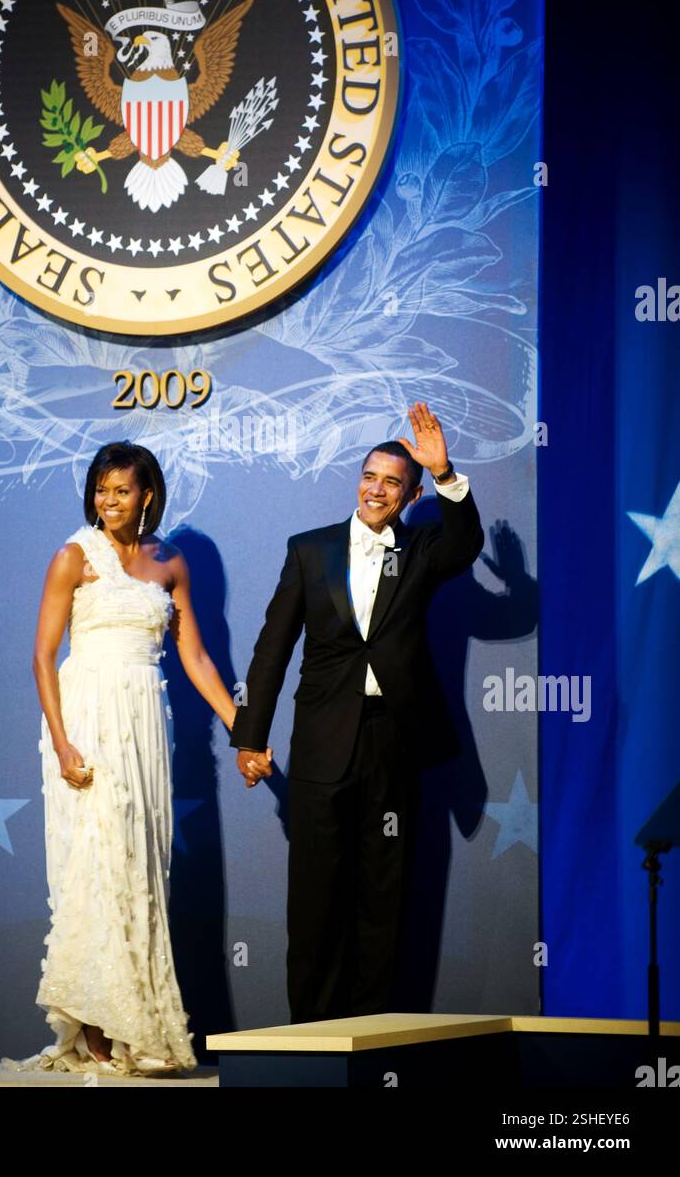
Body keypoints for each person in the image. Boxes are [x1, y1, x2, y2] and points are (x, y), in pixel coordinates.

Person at [229, 402, 484, 1023]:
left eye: (393, 481)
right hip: (322, 743)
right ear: (358, 481)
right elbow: (272, 647)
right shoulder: (310, 550)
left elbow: (465, 543)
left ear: (410, 492)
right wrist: (250, 737)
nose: (377, 489)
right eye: (370, 476)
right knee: (315, 901)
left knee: (382, 897)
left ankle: (371, 1041)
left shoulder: (422, 549)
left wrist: (447, 473)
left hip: (393, 742)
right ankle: (312, 1042)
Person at [2, 441, 240, 1078]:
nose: (109, 501)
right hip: (85, 723)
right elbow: (42, 657)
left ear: (148, 495)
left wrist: (243, 727)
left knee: (139, 869)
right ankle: (101, 1030)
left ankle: (141, 1027)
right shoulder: (73, 557)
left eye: (122, 490)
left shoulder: (170, 563)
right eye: (102, 489)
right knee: (95, 868)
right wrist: (61, 741)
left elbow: (194, 659)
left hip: (144, 729)